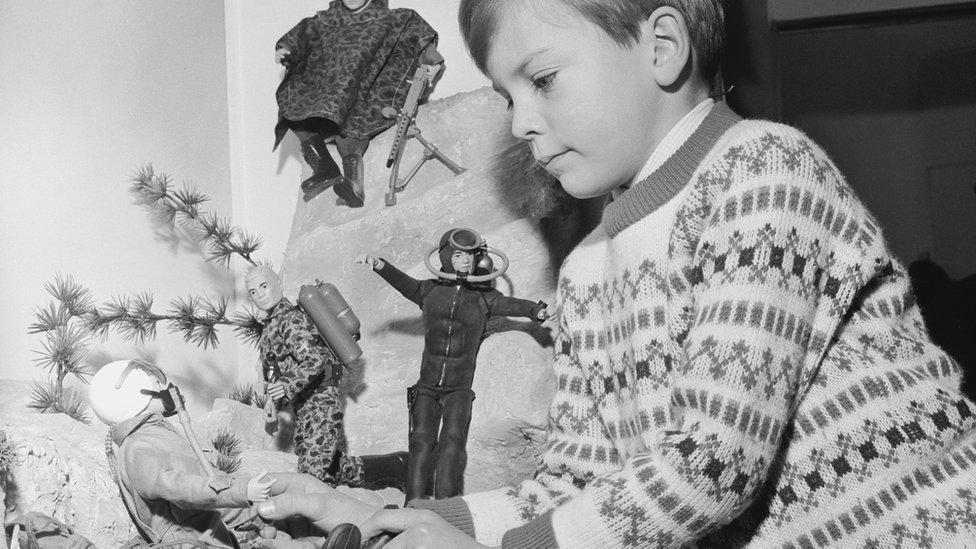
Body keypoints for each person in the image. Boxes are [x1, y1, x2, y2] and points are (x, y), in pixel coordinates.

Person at [256, 1, 976, 547]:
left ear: (661, 47)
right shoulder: (591, 267)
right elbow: (577, 483)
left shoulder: (763, 170)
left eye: (541, 79)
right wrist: (396, 516)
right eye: (508, 97)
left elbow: (713, 462)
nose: (521, 123)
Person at [358, 227, 549, 502]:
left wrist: (535, 310)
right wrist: (380, 266)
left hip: (459, 389)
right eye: (458, 255)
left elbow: (513, 305)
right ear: (446, 257)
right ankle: (412, 505)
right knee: (421, 443)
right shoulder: (429, 291)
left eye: (470, 256)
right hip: (426, 386)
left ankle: (446, 509)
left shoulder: (484, 297)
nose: (465, 261)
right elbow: (404, 283)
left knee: (452, 446)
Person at [247, 265, 406, 491]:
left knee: (312, 475)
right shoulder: (270, 328)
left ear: (279, 284)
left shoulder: (291, 320)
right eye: (253, 291)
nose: (260, 295)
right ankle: (394, 466)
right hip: (304, 407)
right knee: (321, 465)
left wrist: (286, 385)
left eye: (264, 286)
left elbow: (315, 361)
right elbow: (273, 367)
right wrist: (273, 401)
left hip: (322, 400)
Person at [274, 0, 444, 206]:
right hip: (329, 93)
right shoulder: (325, 21)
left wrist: (433, 61)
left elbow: (419, 38)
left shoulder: (393, 19)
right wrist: (285, 48)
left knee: (352, 128)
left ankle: (353, 184)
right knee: (295, 109)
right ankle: (323, 165)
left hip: (368, 92)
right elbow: (302, 34)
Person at [92, 359, 277, 547]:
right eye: (157, 384)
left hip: (209, 533)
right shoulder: (138, 447)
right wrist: (242, 491)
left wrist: (251, 512)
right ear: (137, 395)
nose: (166, 388)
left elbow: (205, 478)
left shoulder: (154, 434)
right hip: (192, 541)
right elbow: (180, 487)